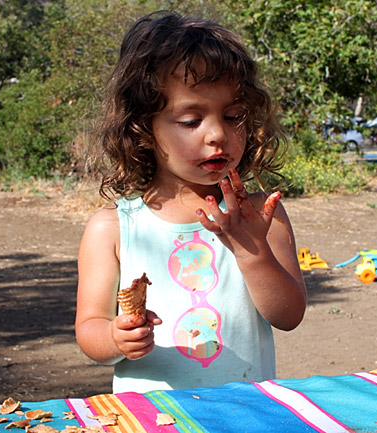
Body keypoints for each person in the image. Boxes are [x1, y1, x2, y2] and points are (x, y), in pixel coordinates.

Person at [75, 10, 307, 394]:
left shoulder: (261, 215)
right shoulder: (113, 228)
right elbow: (90, 328)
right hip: (152, 416)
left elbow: (288, 315)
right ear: (143, 127)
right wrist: (116, 339)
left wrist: (252, 252)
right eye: (190, 121)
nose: (218, 134)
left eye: (234, 116)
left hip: (245, 413)